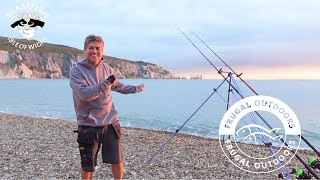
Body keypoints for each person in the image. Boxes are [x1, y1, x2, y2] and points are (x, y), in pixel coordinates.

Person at [69, 35, 144, 180]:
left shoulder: (107, 69)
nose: (94, 51)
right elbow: (85, 94)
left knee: (117, 160)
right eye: (91, 48)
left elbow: (118, 86)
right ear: (85, 50)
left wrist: (136, 89)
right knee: (88, 165)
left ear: (102, 51)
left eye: (98, 48)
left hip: (110, 123)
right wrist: (106, 83)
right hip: (88, 125)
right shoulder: (76, 71)